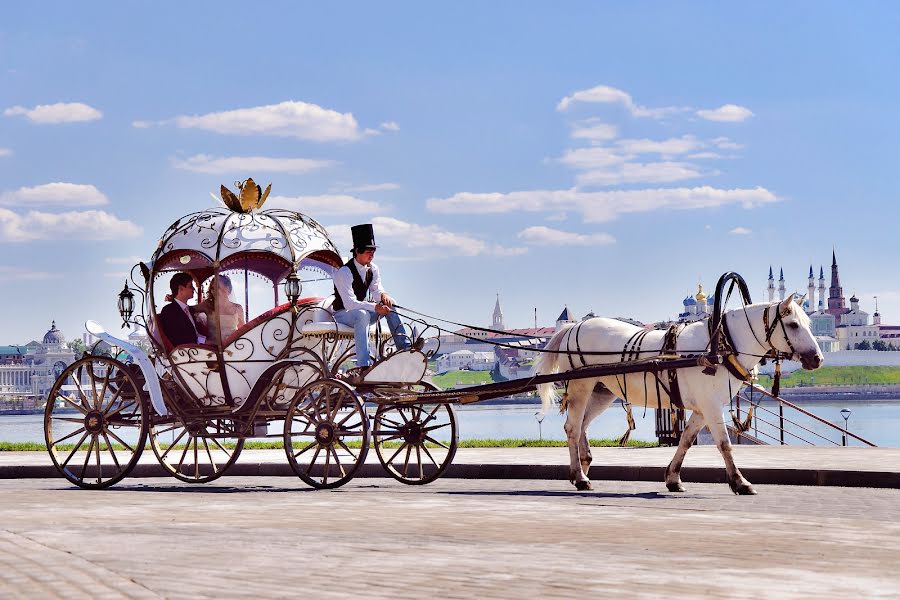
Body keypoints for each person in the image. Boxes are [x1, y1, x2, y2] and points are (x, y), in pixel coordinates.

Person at [333, 223, 411, 372]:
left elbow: (376, 290)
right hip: (343, 314)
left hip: (362, 312)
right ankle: (364, 364)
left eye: (373, 251)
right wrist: (375, 307)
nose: (372, 255)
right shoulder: (344, 272)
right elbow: (349, 304)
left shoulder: (373, 269)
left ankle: (404, 348)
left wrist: (383, 296)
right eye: (368, 251)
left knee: (391, 305)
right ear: (357, 251)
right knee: (362, 315)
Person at [158, 272, 207, 346]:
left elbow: (196, 333)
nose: (193, 289)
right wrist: (206, 342)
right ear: (181, 289)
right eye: (190, 286)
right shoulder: (169, 311)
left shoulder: (189, 310)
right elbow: (179, 338)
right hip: (187, 352)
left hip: (199, 347)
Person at [195, 274, 246, 346]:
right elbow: (186, 310)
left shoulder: (237, 308)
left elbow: (242, 331)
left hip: (232, 347)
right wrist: (203, 340)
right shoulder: (207, 305)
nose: (213, 291)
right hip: (212, 349)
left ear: (227, 289)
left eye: (217, 287)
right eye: (212, 289)